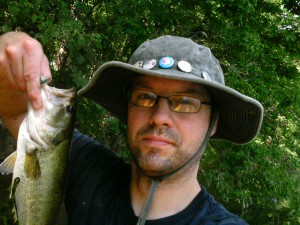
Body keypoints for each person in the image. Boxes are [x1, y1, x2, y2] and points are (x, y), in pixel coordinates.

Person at [0, 32, 263, 225]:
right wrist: (11, 50)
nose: (160, 117)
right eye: (145, 97)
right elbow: (16, 110)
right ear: (128, 108)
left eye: (185, 102)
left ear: (213, 122)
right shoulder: (84, 167)